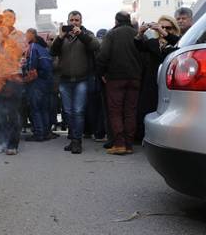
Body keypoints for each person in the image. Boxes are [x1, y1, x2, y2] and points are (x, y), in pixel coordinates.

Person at [50, 10, 100, 154]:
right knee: (68, 112)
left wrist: (81, 35)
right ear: (67, 21)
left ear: (81, 22)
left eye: (76, 20)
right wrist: (59, 37)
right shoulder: (62, 36)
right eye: (71, 20)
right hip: (65, 80)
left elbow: (96, 46)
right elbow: (52, 52)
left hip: (81, 80)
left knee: (78, 111)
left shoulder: (87, 34)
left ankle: (77, 141)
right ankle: (73, 139)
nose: (74, 23)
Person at [96, 11, 143, 155]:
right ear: (129, 20)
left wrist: (102, 73)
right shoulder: (137, 34)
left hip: (115, 78)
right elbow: (144, 55)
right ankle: (129, 145)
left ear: (116, 21)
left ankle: (119, 144)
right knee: (130, 112)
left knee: (115, 112)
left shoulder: (112, 34)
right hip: (134, 78)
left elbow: (103, 56)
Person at [134, 15, 181, 140]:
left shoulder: (177, 41)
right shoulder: (153, 42)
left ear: (174, 29)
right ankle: (146, 137)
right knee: (146, 108)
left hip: (170, 82)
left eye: (168, 28)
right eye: (162, 27)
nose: (164, 30)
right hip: (152, 80)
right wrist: (140, 33)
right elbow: (138, 46)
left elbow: (175, 42)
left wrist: (161, 30)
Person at [0, 9, 25, 155]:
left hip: (13, 77)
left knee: (12, 112)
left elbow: (20, 52)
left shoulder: (20, 35)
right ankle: (0, 143)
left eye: (10, 17)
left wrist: (6, 37)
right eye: (5, 17)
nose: (7, 19)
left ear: (15, 20)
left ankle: (12, 144)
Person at [23, 28, 54, 141]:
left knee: (35, 108)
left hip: (37, 81)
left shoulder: (33, 47)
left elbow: (32, 65)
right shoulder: (44, 48)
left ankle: (39, 133)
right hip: (47, 81)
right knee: (44, 108)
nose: (25, 37)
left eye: (27, 34)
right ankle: (46, 132)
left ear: (32, 35)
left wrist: (26, 77)